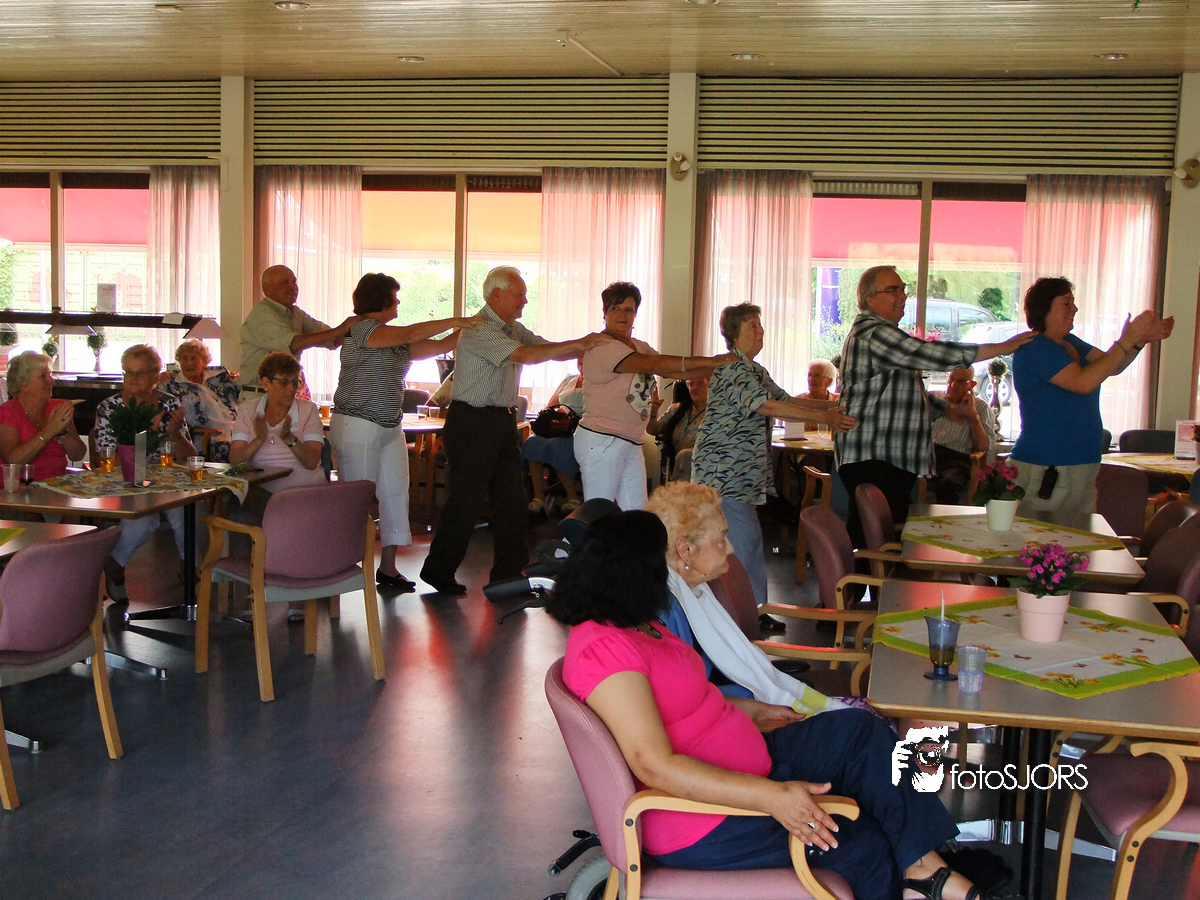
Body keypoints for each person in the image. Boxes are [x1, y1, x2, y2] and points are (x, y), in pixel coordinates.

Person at [545, 508, 988, 900]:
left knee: (861, 732)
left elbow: (683, 699)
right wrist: (773, 797)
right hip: (703, 822)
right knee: (861, 842)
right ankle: (920, 878)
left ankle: (924, 869)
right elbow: (655, 766)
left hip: (747, 764)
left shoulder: (639, 625)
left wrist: (751, 711)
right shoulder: (605, 651)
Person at [418, 265, 607, 595]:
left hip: (501, 422)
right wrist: (581, 344)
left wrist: (588, 346)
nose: (525, 300)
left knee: (512, 501)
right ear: (496, 295)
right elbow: (527, 355)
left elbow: (544, 346)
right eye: (519, 294)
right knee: (466, 501)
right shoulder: (479, 329)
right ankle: (438, 570)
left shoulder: (512, 328)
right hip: (472, 423)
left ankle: (507, 575)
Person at [835, 266, 1031, 548]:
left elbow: (901, 391)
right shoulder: (875, 333)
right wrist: (1000, 348)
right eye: (892, 290)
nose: (902, 296)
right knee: (873, 540)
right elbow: (930, 353)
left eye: (903, 289)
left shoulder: (881, 334)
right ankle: (856, 577)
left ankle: (866, 577)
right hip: (874, 457)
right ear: (869, 299)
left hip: (883, 457)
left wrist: (943, 408)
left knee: (879, 536)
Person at [691, 303, 853, 630]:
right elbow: (767, 406)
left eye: (760, 325)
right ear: (734, 333)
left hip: (738, 474)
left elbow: (787, 400)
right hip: (723, 472)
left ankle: (748, 612)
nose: (761, 331)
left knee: (743, 540)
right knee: (744, 541)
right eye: (753, 325)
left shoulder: (755, 370)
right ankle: (750, 614)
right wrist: (825, 416)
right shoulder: (732, 369)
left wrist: (832, 407)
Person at [329, 272, 480, 592]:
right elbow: (411, 332)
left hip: (389, 425)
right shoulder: (361, 329)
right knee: (357, 498)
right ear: (380, 300)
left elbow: (440, 344)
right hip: (357, 424)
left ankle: (388, 568)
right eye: (394, 298)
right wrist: (458, 320)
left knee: (396, 494)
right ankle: (341, 567)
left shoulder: (395, 341)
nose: (398, 302)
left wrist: (473, 327)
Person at [648, 481, 851, 715]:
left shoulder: (694, 591)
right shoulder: (668, 614)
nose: (730, 549)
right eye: (721, 539)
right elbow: (687, 700)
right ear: (686, 550)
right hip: (743, 719)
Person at [1010, 276, 1174, 516]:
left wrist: (1139, 341)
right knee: (1040, 536)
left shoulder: (1069, 342)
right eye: (1066, 303)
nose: (1074, 309)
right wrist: (1126, 340)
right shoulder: (1035, 347)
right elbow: (1082, 383)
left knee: (1076, 536)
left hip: (1081, 462)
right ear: (1044, 308)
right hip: (1046, 465)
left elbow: (1112, 366)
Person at [575, 281, 730, 510]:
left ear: (635, 314)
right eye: (615, 308)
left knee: (638, 514)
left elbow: (676, 371)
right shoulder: (602, 346)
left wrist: (720, 368)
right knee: (599, 513)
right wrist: (715, 361)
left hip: (631, 441)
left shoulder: (639, 346)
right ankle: (574, 538)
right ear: (605, 313)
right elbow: (657, 365)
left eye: (628, 309)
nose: (622, 315)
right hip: (602, 441)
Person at [94, 345, 198, 602]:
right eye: (128, 372)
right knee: (143, 521)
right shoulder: (110, 407)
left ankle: (190, 570)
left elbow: (189, 457)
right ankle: (115, 565)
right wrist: (145, 435)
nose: (132, 379)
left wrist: (175, 435)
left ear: (155, 376)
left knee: (185, 512)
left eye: (140, 373)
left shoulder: (169, 403)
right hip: (126, 479)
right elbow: (109, 460)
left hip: (166, 480)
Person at [238, 264, 358, 397]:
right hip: (260, 396)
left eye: (294, 281)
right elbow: (293, 343)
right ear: (266, 289)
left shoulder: (296, 313)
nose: (292, 287)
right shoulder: (261, 314)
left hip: (285, 395)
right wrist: (340, 329)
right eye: (285, 282)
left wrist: (363, 325)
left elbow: (332, 339)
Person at [0, 351, 87, 479]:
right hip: (20, 488)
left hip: (57, 485)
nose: (51, 380)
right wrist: (50, 430)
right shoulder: (7, 412)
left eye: (50, 374)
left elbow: (77, 455)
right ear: (22, 384)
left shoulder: (58, 407)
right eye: (43, 376)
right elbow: (13, 461)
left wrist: (63, 432)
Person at [159, 339, 240, 462]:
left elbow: (244, 392)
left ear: (205, 362)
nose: (189, 362)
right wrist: (157, 378)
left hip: (237, 433)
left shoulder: (219, 379)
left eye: (194, 358)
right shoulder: (171, 385)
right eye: (184, 358)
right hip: (207, 439)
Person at [930, 368, 996, 504]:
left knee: (948, 483)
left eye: (961, 381)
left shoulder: (981, 407)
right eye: (951, 379)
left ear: (972, 385)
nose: (953, 385)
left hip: (956, 460)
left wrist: (973, 416)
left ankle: (946, 518)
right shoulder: (933, 399)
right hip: (927, 454)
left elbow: (983, 446)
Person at [523, 371, 584, 515]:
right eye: (580, 360)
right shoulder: (569, 379)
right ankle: (539, 497)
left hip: (579, 429)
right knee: (533, 442)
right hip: (560, 426)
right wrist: (557, 414)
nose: (581, 362)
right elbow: (550, 405)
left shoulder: (599, 382)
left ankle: (572, 497)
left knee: (557, 445)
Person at [647, 376, 708, 482]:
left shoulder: (717, 412)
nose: (694, 388)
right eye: (691, 384)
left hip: (706, 463)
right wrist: (653, 411)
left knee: (685, 455)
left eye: (700, 383)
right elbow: (653, 430)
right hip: (679, 463)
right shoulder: (677, 409)